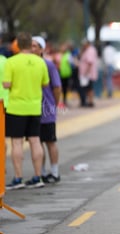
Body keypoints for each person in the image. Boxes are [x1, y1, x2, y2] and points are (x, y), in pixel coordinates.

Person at [3, 32, 49, 190]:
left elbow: (6, 84)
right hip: (35, 107)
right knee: (35, 141)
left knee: (17, 142)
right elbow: (45, 84)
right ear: (31, 45)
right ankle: (38, 176)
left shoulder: (11, 62)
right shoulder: (40, 62)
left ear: (17, 45)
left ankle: (18, 178)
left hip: (16, 107)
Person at [32, 36, 62, 184]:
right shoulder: (29, 65)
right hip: (32, 110)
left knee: (50, 141)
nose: (32, 49)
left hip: (46, 111)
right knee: (37, 143)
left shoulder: (48, 65)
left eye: (35, 46)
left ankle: (55, 172)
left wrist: (53, 105)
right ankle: (41, 172)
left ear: (42, 49)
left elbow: (57, 88)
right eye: (30, 46)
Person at [78, 39, 98, 107]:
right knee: (88, 88)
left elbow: (90, 62)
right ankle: (90, 101)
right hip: (87, 73)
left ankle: (90, 101)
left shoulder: (90, 50)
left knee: (89, 88)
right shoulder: (87, 50)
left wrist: (86, 72)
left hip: (88, 74)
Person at [58, 41, 73, 106]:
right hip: (59, 74)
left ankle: (64, 100)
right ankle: (60, 101)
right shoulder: (59, 54)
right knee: (59, 88)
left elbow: (71, 62)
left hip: (66, 74)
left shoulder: (68, 54)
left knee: (65, 88)